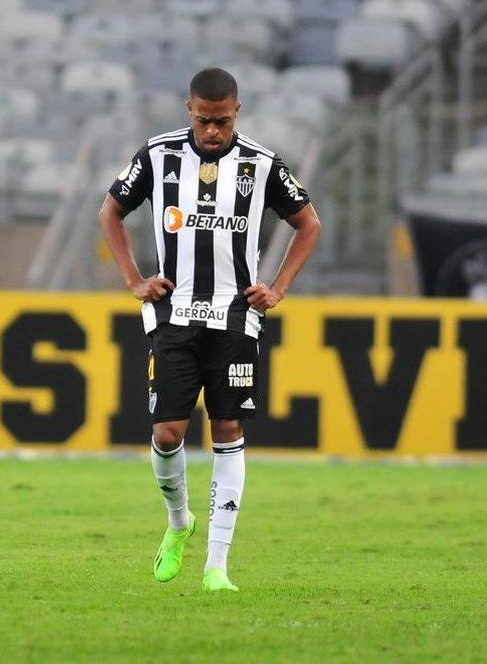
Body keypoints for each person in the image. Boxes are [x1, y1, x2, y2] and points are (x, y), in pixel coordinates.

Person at [98, 68, 321, 592]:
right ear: (188, 110)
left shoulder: (262, 165)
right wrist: (133, 280)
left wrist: (279, 287)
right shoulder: (157, 155)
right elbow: (111, 212)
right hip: (173, 315)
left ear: (236, 112)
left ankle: (217, 567)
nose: (213, 132)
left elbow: (309, 223)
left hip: (236, 318)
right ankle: (179, 523)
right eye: (204, 121)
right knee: (167, 432)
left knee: (228, 431)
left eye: (221, 121)